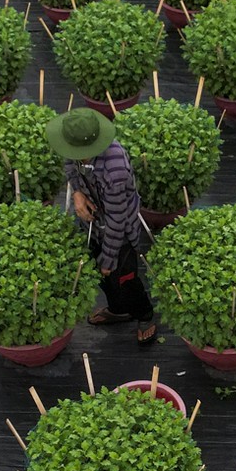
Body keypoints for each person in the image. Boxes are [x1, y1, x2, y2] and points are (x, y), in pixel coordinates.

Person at [45, 106, 158, 347]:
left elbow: (117, 221)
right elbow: (68, 164)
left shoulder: (114, 169)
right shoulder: (75, 149)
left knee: (124, 278)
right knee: (102, 277)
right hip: (94, 224)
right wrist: (77, 193)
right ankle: (118, 311)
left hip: (119, 233)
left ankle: (144, 315)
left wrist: (109, 259)